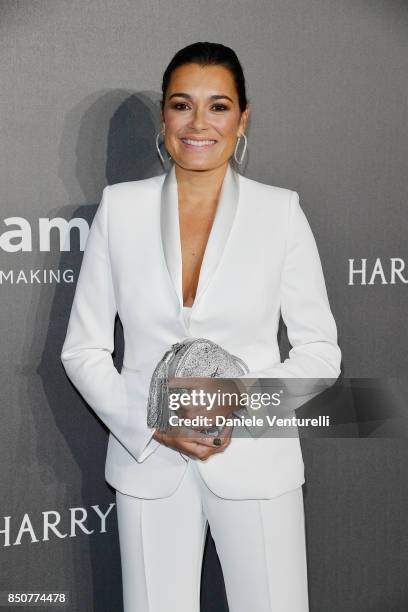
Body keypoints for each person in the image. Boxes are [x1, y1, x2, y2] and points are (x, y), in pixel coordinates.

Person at [61, 41, 341, 612]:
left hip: (257, 462)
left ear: (242, 117)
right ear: (165, 115)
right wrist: (151, 426)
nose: (198, 123)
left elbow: (320, 352)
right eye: (181, 104)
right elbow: (83, 349)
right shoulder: (121, 208)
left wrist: (237, 402)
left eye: (218, 106)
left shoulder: (280, 210)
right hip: (149, 464)